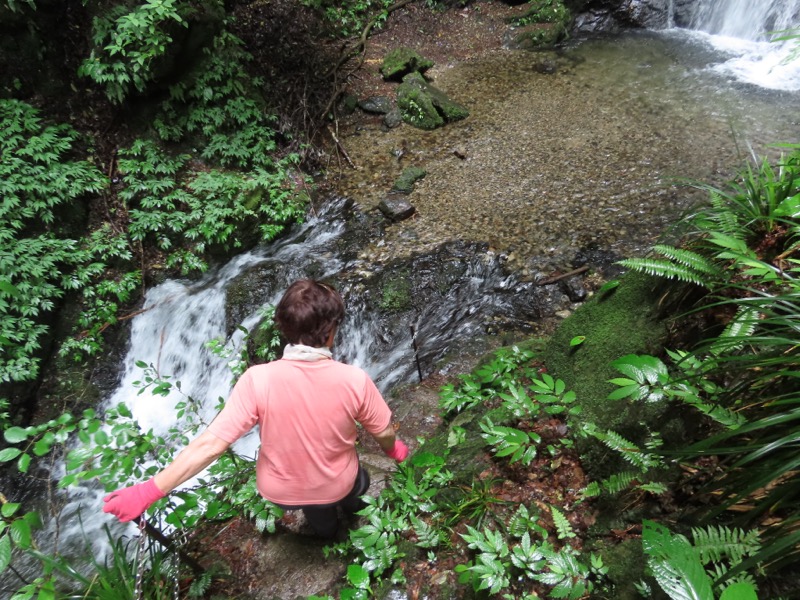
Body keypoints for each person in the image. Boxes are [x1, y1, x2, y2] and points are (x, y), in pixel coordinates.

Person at [103, 279, 409, 538]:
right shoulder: (353, 379)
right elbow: (381, 431)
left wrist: (148, 491)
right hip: (335, 483)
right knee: (359, 481)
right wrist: (393, 450)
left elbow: (211, 445)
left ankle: (326, 533)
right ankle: (351, 513)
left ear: (285, 329)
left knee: (319, 512)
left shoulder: (256, 379)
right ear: (330, 332)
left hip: (281, 490)